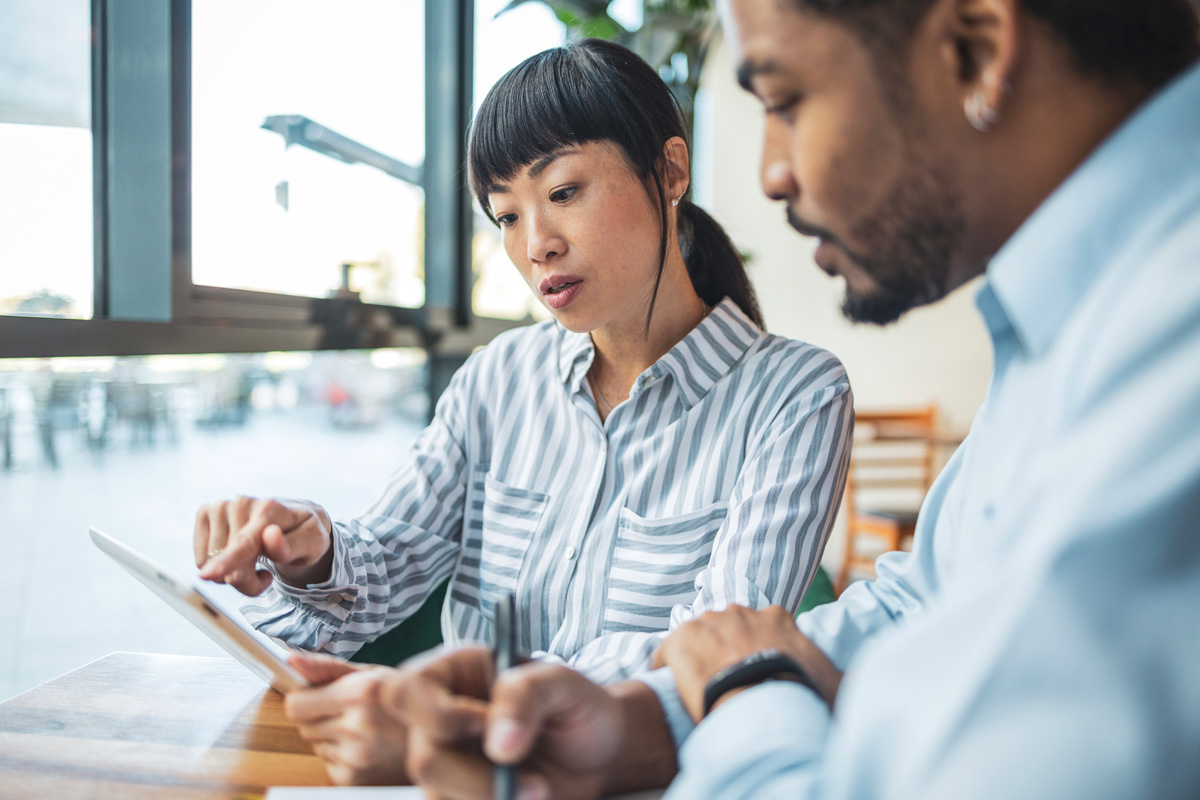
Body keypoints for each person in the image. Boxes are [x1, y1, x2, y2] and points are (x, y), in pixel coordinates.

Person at [299, 0, 1200, 797]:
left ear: (974, 49)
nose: (769, 173)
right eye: (505, 214)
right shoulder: (1068, 328)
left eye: (786, 100)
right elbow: (917, 601)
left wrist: (743, 689)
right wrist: (636, 726)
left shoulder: (1168, 341)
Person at [196, 39, 850, 708]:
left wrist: (491, 697)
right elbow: (387, 562)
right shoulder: (499, 377)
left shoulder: (796, 397)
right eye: (506, 215)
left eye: (563, 191)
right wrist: (313, 551)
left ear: (670, 172)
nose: (536, 244)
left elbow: (716, 654)